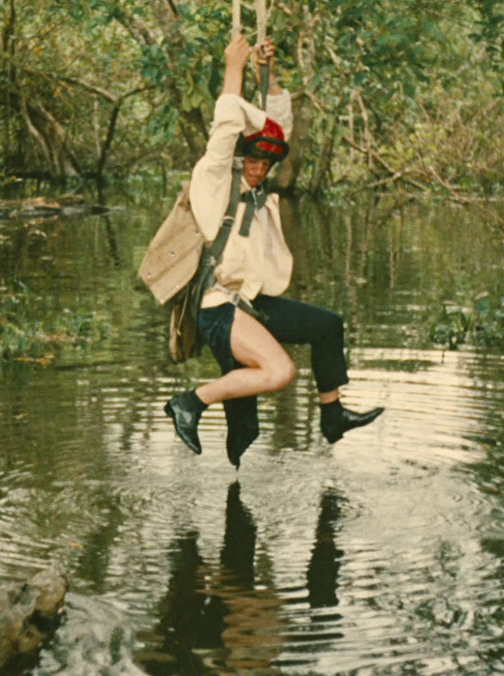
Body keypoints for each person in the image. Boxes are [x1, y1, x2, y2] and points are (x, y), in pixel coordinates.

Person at [164, 35, 384, 467]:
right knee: (281, 372)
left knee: (328, 327)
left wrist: (268, 72)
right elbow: (227, 122)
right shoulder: (214, 179)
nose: (258, 168)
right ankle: (190, 402)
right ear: (238, 156)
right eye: (252, 160)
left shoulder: (259, 189)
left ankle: (332, 414)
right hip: (218, 306)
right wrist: (233, 67)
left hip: (250, 302)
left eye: (265, 163)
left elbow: (275, 121)